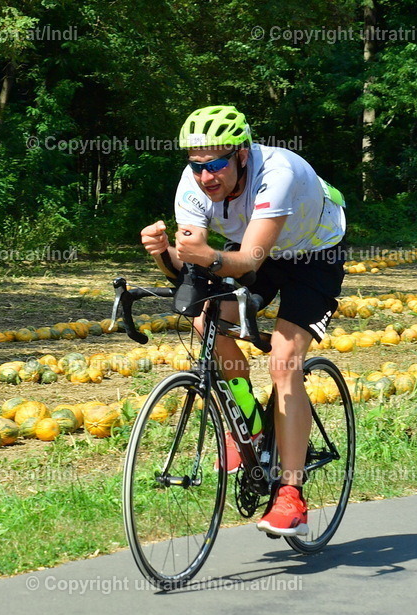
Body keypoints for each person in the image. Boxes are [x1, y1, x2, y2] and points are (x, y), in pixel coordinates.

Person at [140, 105, 346, 537]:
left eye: (216, 164)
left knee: (285, 360)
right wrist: (163, 253)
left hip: (313, 254)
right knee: (204, 319)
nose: (206, 177)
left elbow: (248, 262)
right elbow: (191, 271)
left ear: (242, 155)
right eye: (197, 166)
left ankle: (291, 494)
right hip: (256, 249)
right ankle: (249, 418)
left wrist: (207, 256)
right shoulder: (192, 185)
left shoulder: (278, 172)